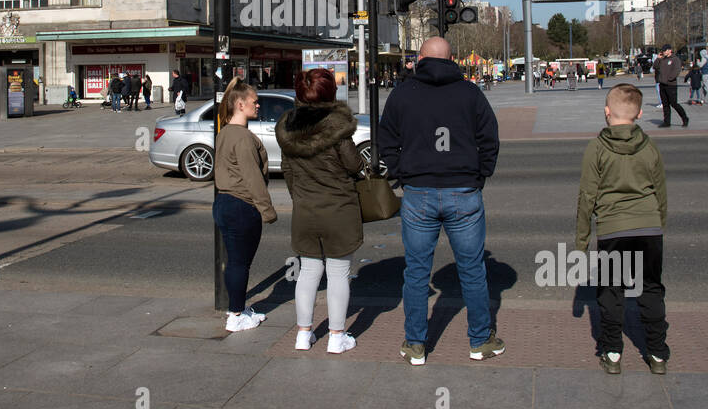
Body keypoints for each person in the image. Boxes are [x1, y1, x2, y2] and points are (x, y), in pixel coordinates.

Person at [379, 36, 502, 366]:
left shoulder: (403, 93)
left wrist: (401, 172)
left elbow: (385, 139)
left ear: (420, 58)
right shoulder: (470, 92)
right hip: (463, 189)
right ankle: (479, 341)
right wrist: (479, 175)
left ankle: (415, 343)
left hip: (418, 192)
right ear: (452, 59)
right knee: (473, 271)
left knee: (416, 273)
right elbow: (489, 139)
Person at [574, 83, 670, 375]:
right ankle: (657, 354)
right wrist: (658, 222)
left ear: (606, 112)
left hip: (613, 230)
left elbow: (587, 196)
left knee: (611, 291)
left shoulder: (597, 148)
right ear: (639, 114)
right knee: (650, 289)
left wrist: (581, 241)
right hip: (649, 227)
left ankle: (612, 352)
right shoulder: (649, 146)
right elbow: (660, 190)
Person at [274, 68, 363, 354]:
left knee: (308, 271)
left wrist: (300, 196)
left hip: (305, 209)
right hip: (339, 209)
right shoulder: (337, 129)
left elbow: (287, 170)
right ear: (329, 94)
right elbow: (353, 166)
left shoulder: (288, 128)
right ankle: (336, 337)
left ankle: (303, 334)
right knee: (338, 272)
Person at [213, 76, 278, 332]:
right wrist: (267, 210)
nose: (258, 105)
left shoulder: (225, 132)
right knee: (241, 263)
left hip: (224, 203)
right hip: (241, 205)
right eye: (254, 101)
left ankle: (238, 307)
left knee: (235, 261)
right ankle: (236, 314)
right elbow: (253, 178)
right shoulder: (242, 138)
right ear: (240, 104)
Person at [653, 45, 688, 128]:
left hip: (671, 85)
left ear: (670, 50)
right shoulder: (662, 59)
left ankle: (685, 118)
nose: (664, 52)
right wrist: (658, 58)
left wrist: (669, 79)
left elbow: (676, 71)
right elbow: (655, 67)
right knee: (665, 105)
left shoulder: (675, 59)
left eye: (665, 50)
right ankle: (667, 122)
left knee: (674, 104)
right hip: (662, 84)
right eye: (663, 51)